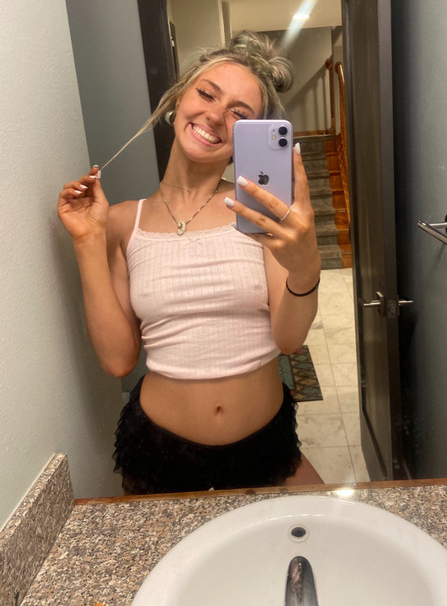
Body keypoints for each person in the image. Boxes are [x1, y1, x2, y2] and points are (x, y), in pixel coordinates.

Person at [57, 31, 323, 494]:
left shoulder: (261, 213)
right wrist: (86, 240)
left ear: (249, 138)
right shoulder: (121, 222)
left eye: (240, 114)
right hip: (159, 451)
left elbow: (289, 339)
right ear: (179, 98)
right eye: (207, 94)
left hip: (265, 444)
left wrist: (306, 269)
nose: (216, 116)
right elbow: (118, 360)